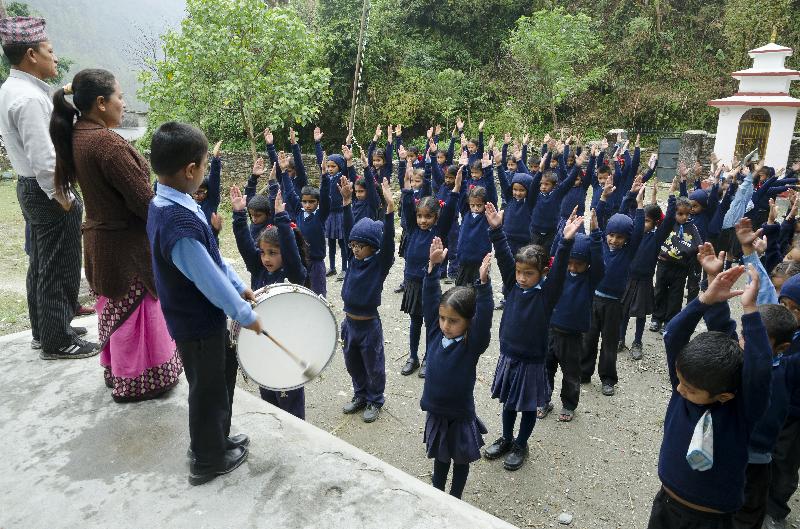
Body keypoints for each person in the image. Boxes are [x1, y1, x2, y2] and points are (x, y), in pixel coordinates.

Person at [50, 69, 181, 400]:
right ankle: (140, 381)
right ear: (100, 102)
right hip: (126, 251)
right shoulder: (108, 144)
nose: (123, 103)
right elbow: (143, 202)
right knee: (136, 315)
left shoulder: (79, 133)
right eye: (119, 97)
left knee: (115, 311)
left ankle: (117, 371)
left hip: (101, 243)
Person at [146, 121, 260, 486]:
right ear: (191, 170)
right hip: (196, 325)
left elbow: (213, 260)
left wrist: (239, 284)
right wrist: (244, 314)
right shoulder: (176, 220)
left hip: (201, 322)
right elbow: (206, 278)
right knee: (206, 389)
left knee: (217, 380)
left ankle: (217, 440)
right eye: (205, 160)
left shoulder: (169, 201)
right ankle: (207, 460)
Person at [646, 265, 772, 528]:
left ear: (724, 396)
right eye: (680, 382)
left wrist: (750, 311)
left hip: (711, 520)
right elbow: (674, 336)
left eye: (690, 390)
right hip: (666, 506)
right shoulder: (685, 385)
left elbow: (759, 370)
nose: (679, 390)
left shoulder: (741, 411)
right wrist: (704, 299)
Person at [0, 16, 96, 358]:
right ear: (31, 54)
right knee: (58, 266)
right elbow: (44, 160)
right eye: (50, 51)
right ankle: (59, 341)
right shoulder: (28, 100)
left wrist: (64, 91)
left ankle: (47, 329)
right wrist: (65, 198)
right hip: (47, 191)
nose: (55, 58)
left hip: (30, 188)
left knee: (41, 263)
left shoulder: (15, 89)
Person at [483, 201, 582, 471]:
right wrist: (496, 231)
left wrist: (565, 242)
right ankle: (506, 437)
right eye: (519, 272)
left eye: (529, 273)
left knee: (527, 407)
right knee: (507, 404)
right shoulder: (511, 286)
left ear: (542, 274)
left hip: (531, 361)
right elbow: (504, 256)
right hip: (509, 356)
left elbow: (560, 269)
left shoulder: (546, 295)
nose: (522, 278)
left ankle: (521, 444)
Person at [421, 240, 493, 498]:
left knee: (460, 461)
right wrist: (433, 268)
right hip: (437, 414)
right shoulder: (434, 334)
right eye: (443, 318)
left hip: (460, 416)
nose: (445, 325)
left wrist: (484, 287)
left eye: (454, 321)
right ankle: (439, 494)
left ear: (468, 322)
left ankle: (456, 498)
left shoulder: (470, 345)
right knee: (440, 459)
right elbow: (429, 300)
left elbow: (484, 322)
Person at [231, 183, 308, 419]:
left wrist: (282, 219)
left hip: (288, 344)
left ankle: (296, 433)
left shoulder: (295, 274)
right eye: (263, 252)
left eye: (273, 253)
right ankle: (275, 423)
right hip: (262, 340)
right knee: (267, 391)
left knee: (289, 394)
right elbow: (246, 248)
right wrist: (238, 216)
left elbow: (292, 255)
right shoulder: (259, 271)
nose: (266, 258)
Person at [581, 177, 645, 396]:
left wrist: (639, 205)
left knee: (609, 343)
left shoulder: (628, 251)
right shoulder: (599, 245)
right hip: (593, 300)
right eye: (611, 235)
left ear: (627, 239)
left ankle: (608, 378)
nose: (614, 240)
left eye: (620, 237)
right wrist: (603, 197)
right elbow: (595, 221)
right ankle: (584, 372)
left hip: (614, 303)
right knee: (588, 339)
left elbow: (637, 231)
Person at [340, 178, 396, 423]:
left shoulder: (378, 265)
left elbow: (389, 245)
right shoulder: (353, 260)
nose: (355, 249)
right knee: (353, 363)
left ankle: (375, 399)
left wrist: (390, 209)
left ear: (373, 247)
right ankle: (360, 394)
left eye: (360, 246)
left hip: (368, 325)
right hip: (349, 324)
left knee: (373, 365)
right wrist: (346, 202)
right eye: (353, 245)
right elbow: (348, 231)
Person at [399, 165, 460, 377]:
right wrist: (406, 188)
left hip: (429, 285)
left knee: (430, 322)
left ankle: (428, 358)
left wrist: (456, 191)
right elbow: (407, 207)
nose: (423, 221)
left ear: (436, 218)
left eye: (428, 217)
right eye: (420, 216)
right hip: (412, 283)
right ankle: (413, 356)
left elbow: (450, 210)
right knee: (414, 321)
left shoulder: (438, 232)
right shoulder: (413, 229)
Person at [544, 210, 604, 422]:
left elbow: (599, 262)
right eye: (569, 262)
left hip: (573, 336)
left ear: (587, 264)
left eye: (578, 263)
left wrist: (595, 233)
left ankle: (569, 404)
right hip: (550, 330)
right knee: (545, 369)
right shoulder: (557, 275)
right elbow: (555, 256)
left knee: (571, 373)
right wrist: (564, 235)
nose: (573, 267)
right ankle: (544, 400)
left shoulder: (590, 279)